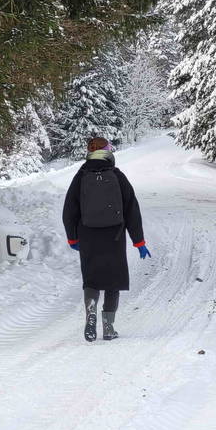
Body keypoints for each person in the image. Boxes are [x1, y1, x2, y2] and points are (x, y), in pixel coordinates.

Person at [62, 137, 150, 342]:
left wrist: (72, 238)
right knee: (113, 280)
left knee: (92, 278)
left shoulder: (81, 176)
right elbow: (132, 210)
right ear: (107, 152)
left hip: (88, 235)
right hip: (114, 236)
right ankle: (108, 327)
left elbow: (69, 210)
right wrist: (139, 242)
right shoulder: (118, 176)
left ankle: (91, 310)